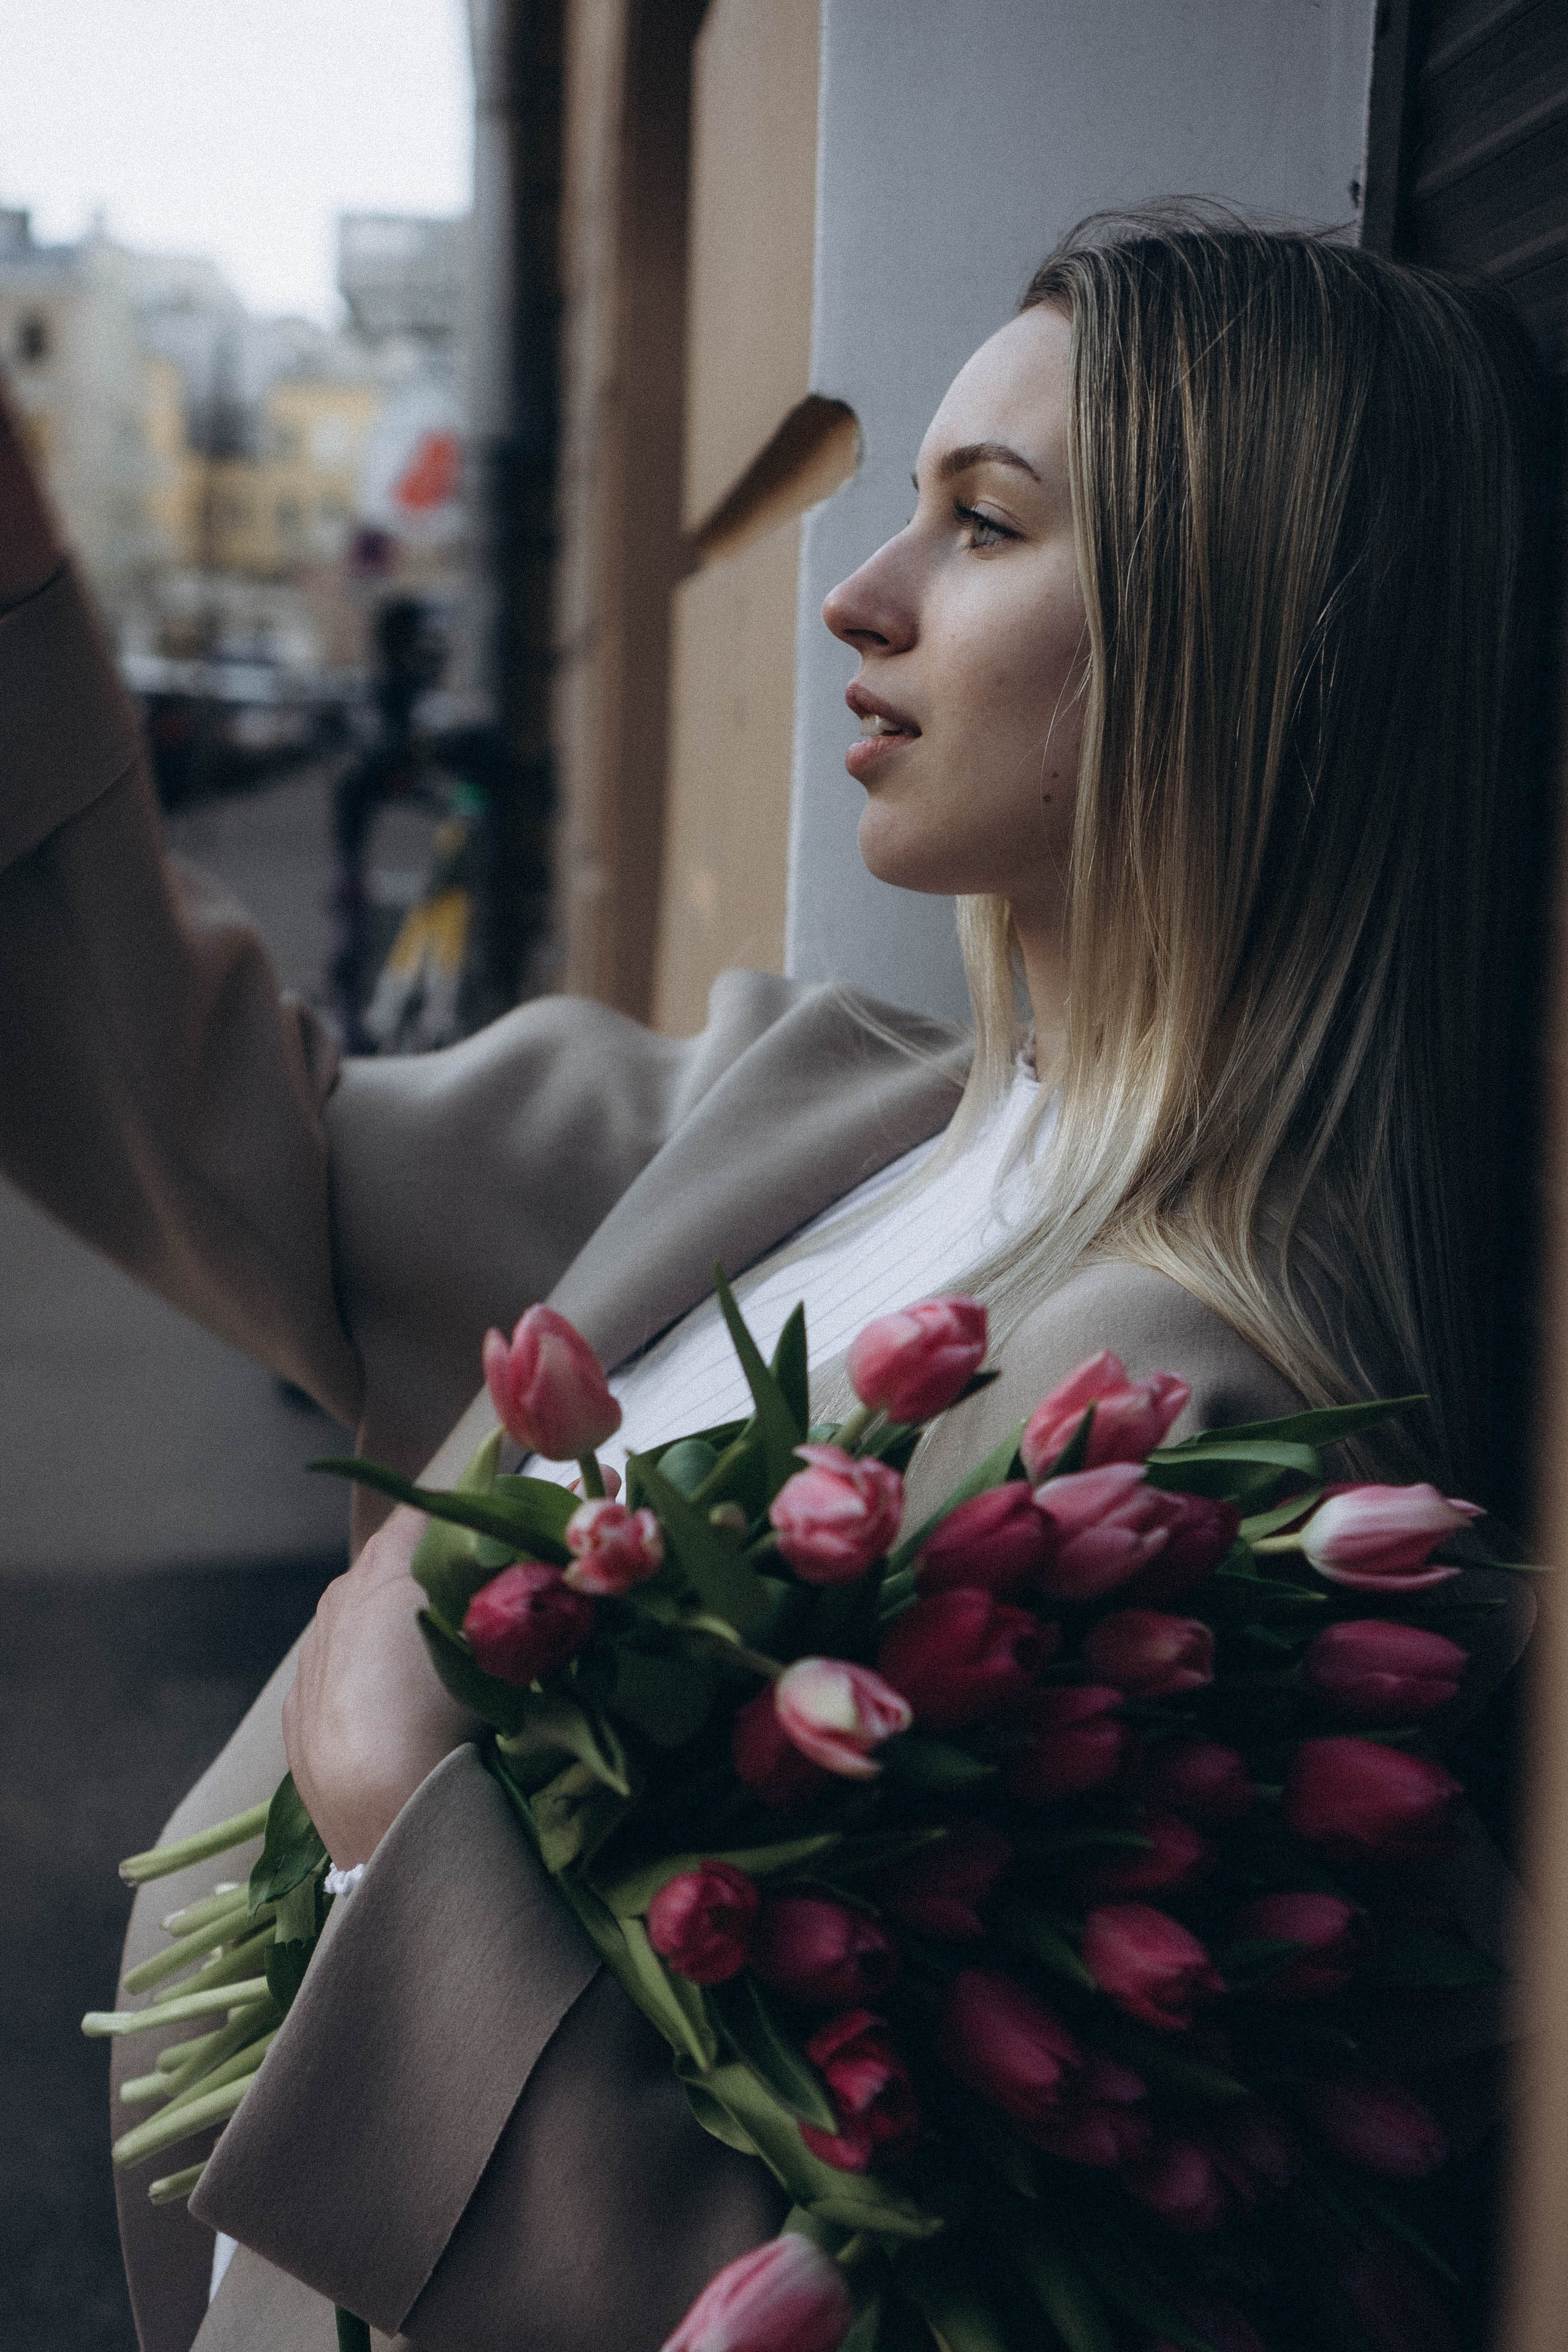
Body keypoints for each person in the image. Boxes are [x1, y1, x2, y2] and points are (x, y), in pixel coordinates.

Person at [0, 215, 1546, 2352]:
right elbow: (200, 1125)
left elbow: (898, 2283)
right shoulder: (811, 1113)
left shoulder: (1196, 1424)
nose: (861, 592)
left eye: (983, 525)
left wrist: (398, 1829)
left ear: (1236, 645)